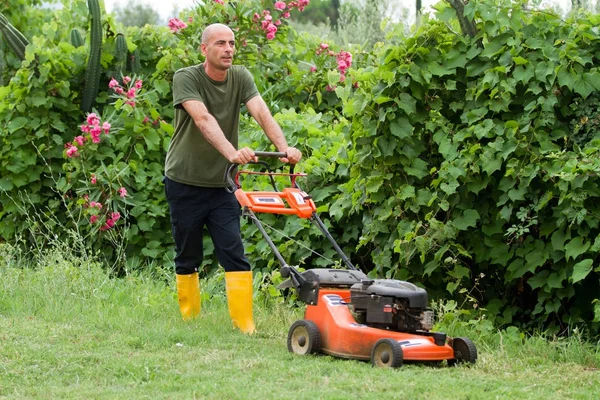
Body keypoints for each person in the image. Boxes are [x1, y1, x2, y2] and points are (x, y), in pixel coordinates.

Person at [164, 23, 302, 334]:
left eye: (232, 43)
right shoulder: (186, 77)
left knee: (233, 251)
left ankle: (245, 325)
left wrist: (285, 150)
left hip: (223, 183)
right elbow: (202, 119)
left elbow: (262, 113)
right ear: (204, 49)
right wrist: (232, 152)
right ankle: (190, 320)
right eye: (220, 44)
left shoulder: (240, 77)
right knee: (189, 253)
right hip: (184, 180)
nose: (228, 49)